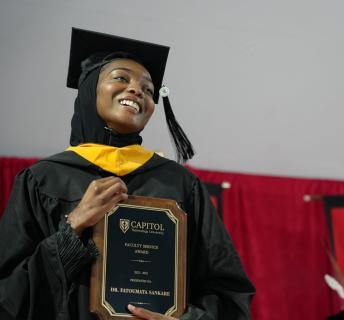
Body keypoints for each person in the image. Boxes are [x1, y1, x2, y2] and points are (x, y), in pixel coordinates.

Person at [0, 28, 255, 320]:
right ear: (89, 89)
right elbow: (9, 296)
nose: (137, 91)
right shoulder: (43, 180)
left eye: (148, 89)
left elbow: (229, 294)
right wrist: (73, 227)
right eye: (121, 78)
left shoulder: (181, 185)